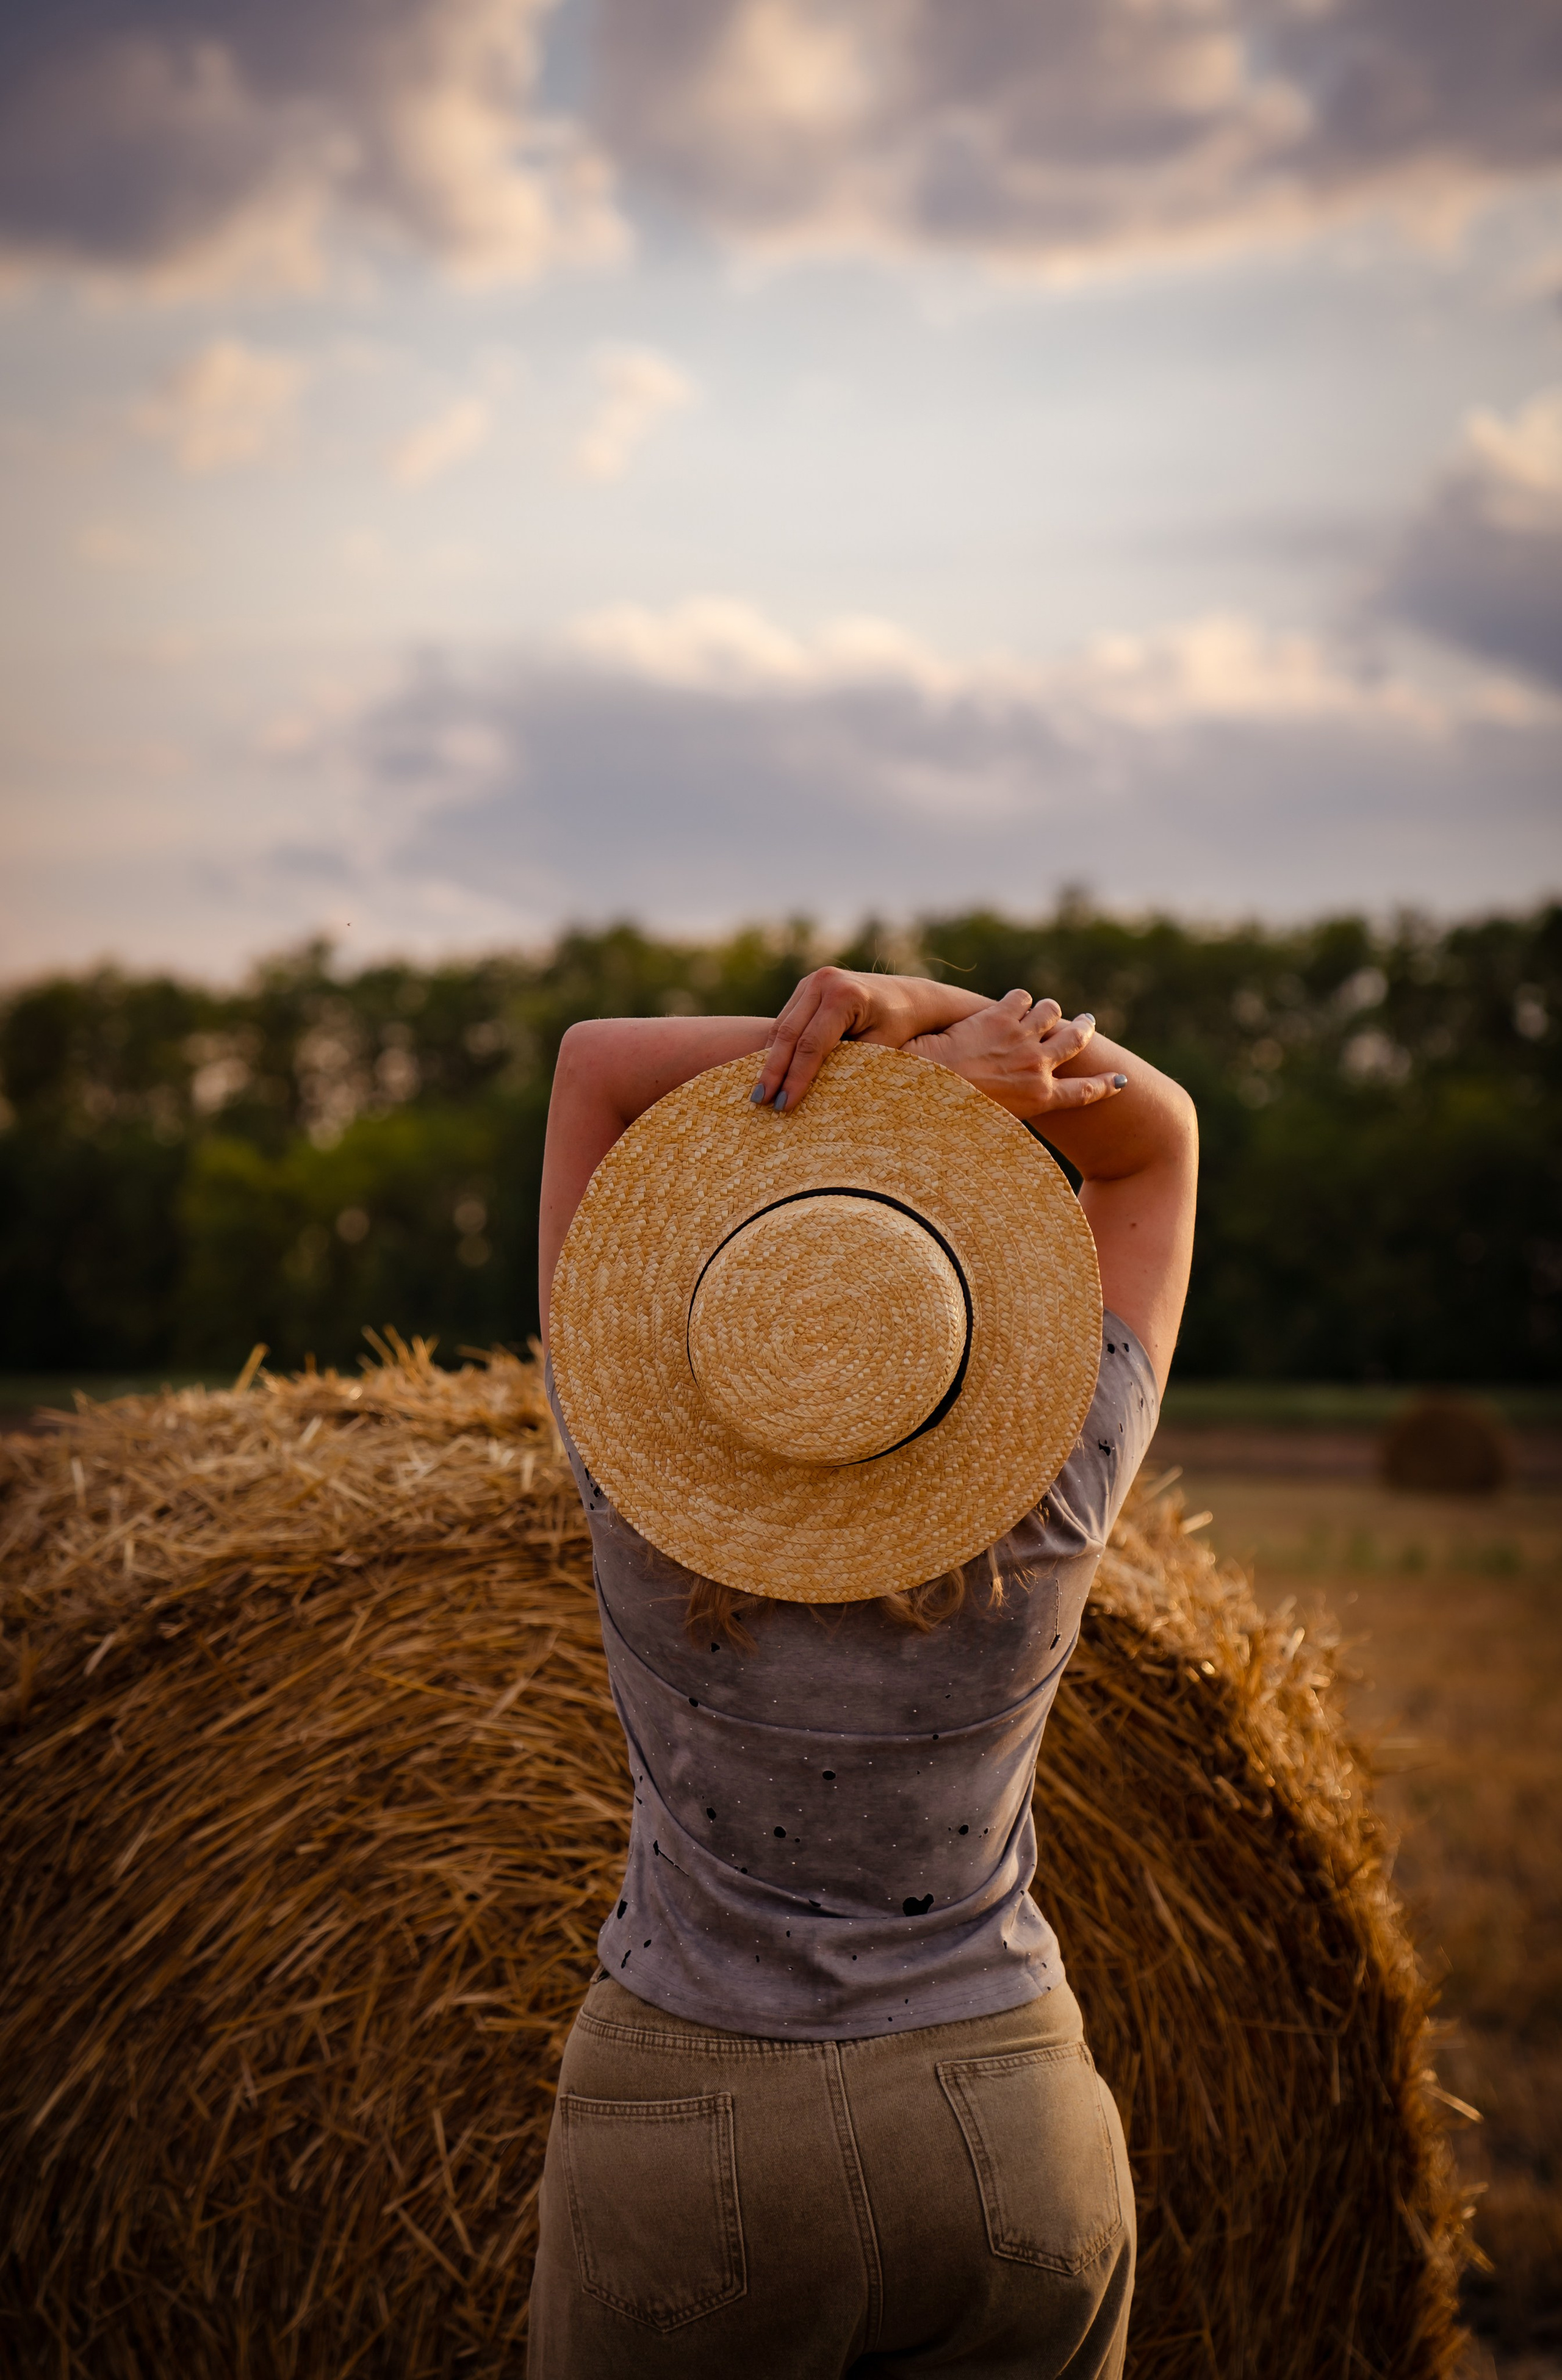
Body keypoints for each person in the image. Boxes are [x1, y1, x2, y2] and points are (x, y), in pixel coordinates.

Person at [527, 966, 1198, 2380]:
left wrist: (866, 1086)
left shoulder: (622, 1458)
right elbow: (1157, 1140)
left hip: (688, 2114)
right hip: (1004, 2111)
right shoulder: (1065, 1475)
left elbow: (593, 1066)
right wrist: (916, 1024)